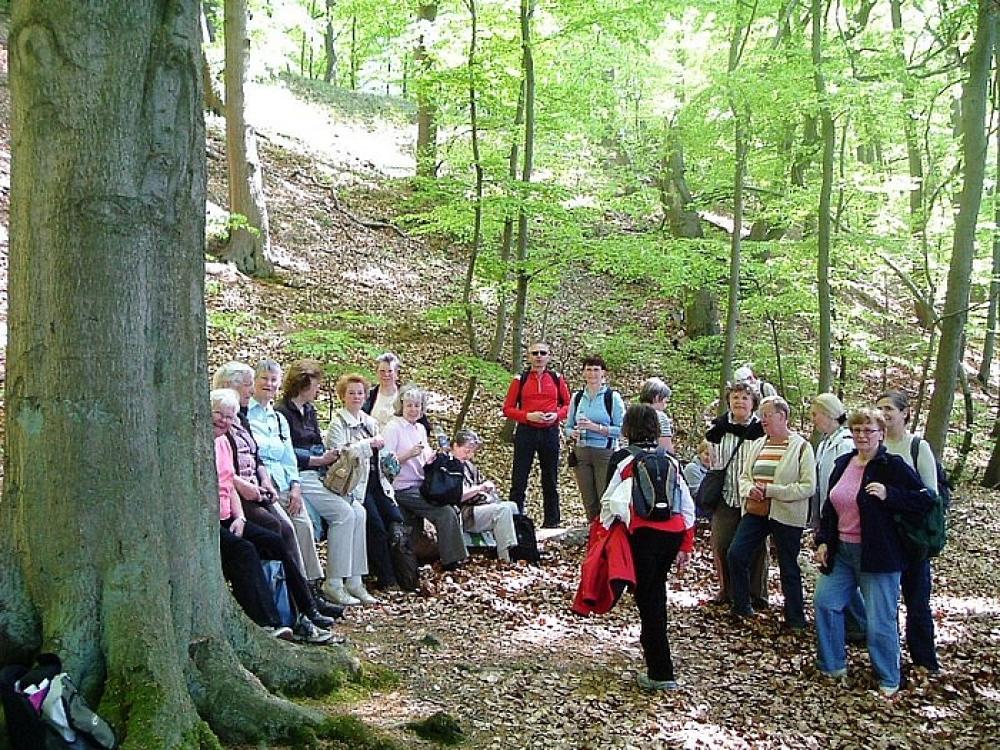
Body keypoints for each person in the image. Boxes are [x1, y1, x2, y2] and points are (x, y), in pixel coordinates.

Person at [814, 408, 933, 697]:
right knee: (826, 603)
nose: (862, 436)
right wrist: (823, 541)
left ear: (881, 434)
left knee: (880, 620)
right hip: (842, 551)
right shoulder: (843, 463)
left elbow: (925, 500)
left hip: (878, 556)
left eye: (869, 431)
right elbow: (830, 508)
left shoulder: (892, 466)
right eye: (857, 430)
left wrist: (890, 495)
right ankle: (833, 667)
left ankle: (888, 679)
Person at [212, 362, 344, 620]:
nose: (252, 389)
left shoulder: (244, 419)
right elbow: (227, 473)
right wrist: (250, 491)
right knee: (279, 530)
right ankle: (296, 607)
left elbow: (259, 457)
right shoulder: (222, 424)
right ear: (230, 386)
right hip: (244, 496)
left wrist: (272, 483)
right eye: (249, 383)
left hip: (266, 488)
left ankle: (308, 597)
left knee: (299, 526)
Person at [601, 404, 695, 691]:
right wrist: (686, 545)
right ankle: (658, 665)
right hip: (670, 535)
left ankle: (661, 671)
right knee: (654, 594)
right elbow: (687, 507)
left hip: (641, 534)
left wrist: (603, 537)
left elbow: (609, 503)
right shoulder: (670, 460)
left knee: (650, 599)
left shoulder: (622, 459)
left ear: (627, 428)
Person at [275, 360, 376, 607]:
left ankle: (354, 580)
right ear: (303, 384)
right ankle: (334, 582)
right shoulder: (282, 412)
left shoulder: (309, 411)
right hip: (299, 475)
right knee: (343, 514)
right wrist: (315, 458)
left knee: (359, 512)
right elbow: (285, 451)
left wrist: (329, 457)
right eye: (315, 385)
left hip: (318, 472)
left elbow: (317, 441)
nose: (318, 390)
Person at [729, 396, 815, 629]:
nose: (763, 420)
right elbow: (744, 477)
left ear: (782, 416)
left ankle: (795, 619)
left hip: (786, 514)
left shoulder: (801, 447)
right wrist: (750, 490)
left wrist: (772, 490)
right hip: (757, 512)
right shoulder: (759, 444)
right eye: (761, 415)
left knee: (788, 566)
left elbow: (807, 486)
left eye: (767, 414)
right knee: (736, 554)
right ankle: (742, 606)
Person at [876, 390, 941, 673]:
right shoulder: (874, 446)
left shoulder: (917, 447)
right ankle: (890, 661)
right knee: (884, 605)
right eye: (880, 408)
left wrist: (893, 497)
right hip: (883, 538)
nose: (885, 413)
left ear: (905, 413)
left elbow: (931, 495)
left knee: (917, 602)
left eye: (890, 408)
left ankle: (925, 661)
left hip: (912, 538)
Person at [327, 373, 406, 591]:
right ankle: (385, 579)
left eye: (360, 393)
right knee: (376, 527)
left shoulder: (370, 422)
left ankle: (404, 575)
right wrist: (368, 444)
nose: (356, 397)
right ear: (343, 396)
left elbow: (382, 453)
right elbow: (340, 455)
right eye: (351, 393)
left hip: (377, 482)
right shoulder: (338, 424)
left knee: (396, 521)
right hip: (355, 485)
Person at [383, 387, 468, 569]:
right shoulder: (393, 427)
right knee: (445, 512)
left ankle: (452, 554)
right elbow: (385, 463)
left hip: (423, 483)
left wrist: (435, 458)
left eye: (417, 406)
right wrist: (408, 455)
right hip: (402, 487)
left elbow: (425, 455)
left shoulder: (420, 428)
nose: (413, 410)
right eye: (409, 405)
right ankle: (452, 561)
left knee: (451, 502)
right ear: (402, 406)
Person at [705, 381, 768, 607]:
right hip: (725, 495)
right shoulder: (717, 428)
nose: (739, 402)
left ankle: (757, 593)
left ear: (753, 403)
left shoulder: (762, 430)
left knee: (757, 547)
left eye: (744, 398)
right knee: (721, 544)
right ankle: (727, 591)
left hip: (753, 497)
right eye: (735, 398)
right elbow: (707, 455)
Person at [810, 393, 863, 639]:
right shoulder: (824, 443)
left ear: (829, 413)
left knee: (843, 573)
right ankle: (854, 623)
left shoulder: (845, 443)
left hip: (844, 520)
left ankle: (861, 624)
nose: (813, 420)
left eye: (816, 414)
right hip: (826, 514)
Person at [502, 342, 572, 527]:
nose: (539, 356)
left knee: (550, 478)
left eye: (543, 353)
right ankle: (515, 521)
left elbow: (569, 405)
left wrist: (556, 415)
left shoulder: (556, 378)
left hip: (550, 432)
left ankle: (552, 521)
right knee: (519, 478)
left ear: (549, 357)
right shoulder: (520, 379)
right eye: (535, 353)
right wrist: (527, 416)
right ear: (528, 356)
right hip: (526, 432)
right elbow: (508, 409)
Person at [564, 355, 625, 521]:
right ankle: (592, 531)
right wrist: (572, 433)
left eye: (596, 370)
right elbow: (567, 426)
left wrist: (595, 428)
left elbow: (621, 430)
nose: (592, 374)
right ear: (583, 373)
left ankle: (607, 531)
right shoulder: (577, 397)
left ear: (603, 373)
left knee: (604, 496)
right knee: (588, 498)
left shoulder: (612, 398)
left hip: (605, 452)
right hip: (581, 452)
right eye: (588, 370)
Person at [451, 430, 519, 562]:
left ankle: (519, 548)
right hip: (464, 512)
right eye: (466, 450)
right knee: (502, 511)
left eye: (472, 451)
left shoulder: (468, 465)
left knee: (512, 506)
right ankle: (506, 557)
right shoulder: (448, 465)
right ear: (455, 446)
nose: (469, 455)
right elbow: (457, 496)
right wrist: (479, 490)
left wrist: (488, 488)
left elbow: (482, 482)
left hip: (479, 506)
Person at [363, 351, 432, 433]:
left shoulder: (407, 395)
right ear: (377, 373)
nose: (386, 374)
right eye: (382, 371)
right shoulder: (368, 396)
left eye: (390, 371)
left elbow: (423, 425)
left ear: (396, 373)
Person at [638, 377, 675, 453]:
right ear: (657, 397)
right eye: (666, 401)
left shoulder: (633, 412)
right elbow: (665, 447)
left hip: (632, 457)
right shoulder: (660, 417)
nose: (665, 405)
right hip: (651, 459)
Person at [683, 439, 715, 519]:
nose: (709, 458)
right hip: (695, 508)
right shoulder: (692, 468)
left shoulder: (714, 470)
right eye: (706, 454)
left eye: (712, 455)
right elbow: (697, 494)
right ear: (700, 453)